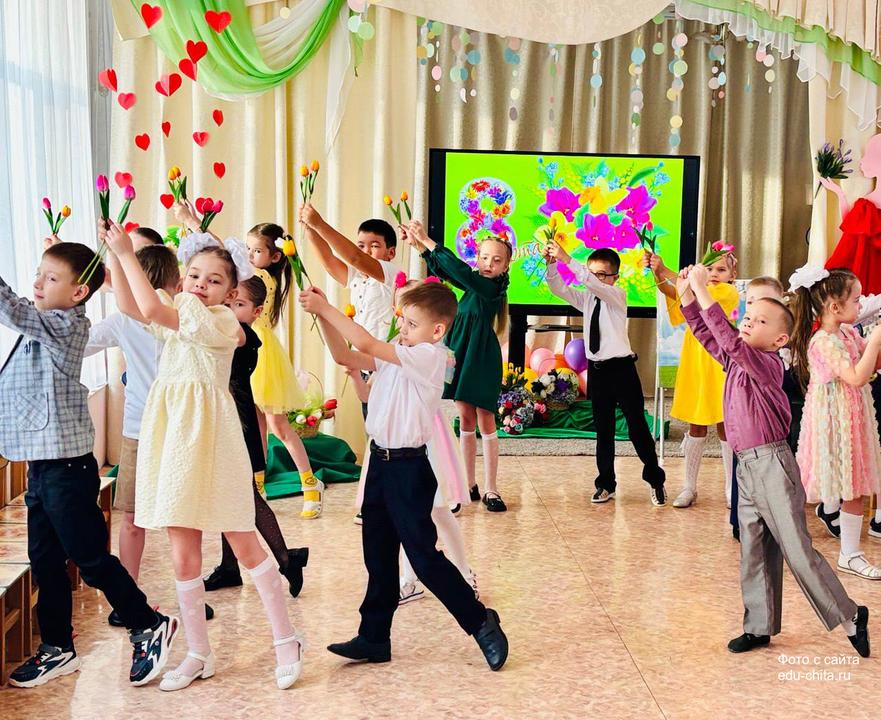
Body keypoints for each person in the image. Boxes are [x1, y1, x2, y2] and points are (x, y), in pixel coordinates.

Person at [105, 225, 304, 691]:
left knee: (244, 542)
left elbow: (151, 307)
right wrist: (114, 255)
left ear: (231, 292)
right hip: (174, 440)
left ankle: (287, 639)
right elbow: (131, 307)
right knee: (182, 553)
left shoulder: (224, 323)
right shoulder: (180, 312)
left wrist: (125, 253)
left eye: (214, 280)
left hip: (212, 440)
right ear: (183, 277)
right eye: (194, 275)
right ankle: (198, 652)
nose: (200, 284)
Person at [299, 280, 509, 670]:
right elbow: (345, 354)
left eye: (412, 324)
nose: (404, 330)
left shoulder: (430, 356)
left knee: (424, 559)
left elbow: (366, 343)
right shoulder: (400, 353)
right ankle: (374, 637)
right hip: (379, 464)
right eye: (403, 322)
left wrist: (326, 308)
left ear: (437, 330)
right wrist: (321, 313)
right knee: (378, 555)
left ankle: (481, 621)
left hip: (409, 469)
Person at [0, 242, 177, 688]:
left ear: (79, 293)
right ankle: (57, 647)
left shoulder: (67, 327)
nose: (38, 283)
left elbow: (13, 309)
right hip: (43, 465)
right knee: (44, 559)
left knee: (90, 559)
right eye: (38, 273)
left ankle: (148, 623)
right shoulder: (46, 321)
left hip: (67, 469)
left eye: (51, 278)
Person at [678, 263, 870, 658]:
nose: (748, 323)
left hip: (772, 465)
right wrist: (686, 296)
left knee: (796, 550)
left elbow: (727, 340)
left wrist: (703, 291)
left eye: (760, 321)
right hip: (747, 466)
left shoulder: (766, 364)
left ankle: (851, 615)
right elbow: (708, 334)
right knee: (753, 547)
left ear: (780, 339)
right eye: (747, 317)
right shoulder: (737, 360)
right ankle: (759, 626)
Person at [173, 203, 321, 520]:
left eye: (256, 251)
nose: (249, 256)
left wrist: (193, 221)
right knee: (253, 426)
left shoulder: (261, 278)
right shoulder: (239, 289)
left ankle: (310, 483)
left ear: (275, 257)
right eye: (248, 249)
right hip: (236, 354)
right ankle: (258, 487)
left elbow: (223, 255)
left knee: (279, 426)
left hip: (261, 355)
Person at [83, 245, 199, 624]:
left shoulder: (170, 317)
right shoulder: (178, 315)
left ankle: (129, 600)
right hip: (167, 429)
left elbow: (81, 343)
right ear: (176, 281)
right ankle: (183, 598)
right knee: (179, 521)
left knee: (134, 520)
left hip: (150, 429)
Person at [203, 275, 309, 596]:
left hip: (237, 424)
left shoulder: (243, 336)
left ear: (256, 311)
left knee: (245, 496)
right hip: (228, 420)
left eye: (239, 304)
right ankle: (229, 566)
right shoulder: (230, 330)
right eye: (229, 302)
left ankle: (286, 559)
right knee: (229, 496)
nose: (231, 309)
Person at [546, 241, 666, 506]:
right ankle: (605, 484)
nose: (595, 279)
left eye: (602, 275)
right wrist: (552, 264)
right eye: (592, 273)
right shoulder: (587, 299)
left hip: (622, 370)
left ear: (615, 277)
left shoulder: (617, 296)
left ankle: (656, 480)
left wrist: (567, 258)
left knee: (637, 427)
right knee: (603, 430)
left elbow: (591, 283)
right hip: (597, 371)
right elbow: (558, 288)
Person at [405, 221, 511, 512]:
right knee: (465, 417)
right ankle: (468, 484)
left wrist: (429, 241)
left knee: (486, 419)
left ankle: (491, 488)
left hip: (481, 358)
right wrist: (422, 250)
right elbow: (450, 273)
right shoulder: (473, 284)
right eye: (484, 257)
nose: (489, 264)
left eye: (497, 260)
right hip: (461, 354)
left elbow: (460, 271)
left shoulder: (491, 287)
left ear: (505, 266)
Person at [789, 266, 881, 580]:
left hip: (852, 420)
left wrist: (873, 343)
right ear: (834, 307)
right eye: (856, 300)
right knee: (848, 486)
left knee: (855, 487)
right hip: (835, 424)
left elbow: (866, 361)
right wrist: (876, 341)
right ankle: (848, 554)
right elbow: (855, 377)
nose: (861, 304)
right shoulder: (823, 342)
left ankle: (849, 552)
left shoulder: (847, 333)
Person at [647, 250, 739, 508]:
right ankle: (689, 486)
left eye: (721, 270)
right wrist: (657, 272)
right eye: (709, 269)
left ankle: (731, 488)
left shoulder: (728, 292)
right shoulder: (697, 288)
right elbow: (673, 292)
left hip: (719, 365)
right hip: (695, 363)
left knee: (725, 426)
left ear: (733, 275)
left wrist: (671, 272)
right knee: (696, 426)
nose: (714, 274)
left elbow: (696, 294)